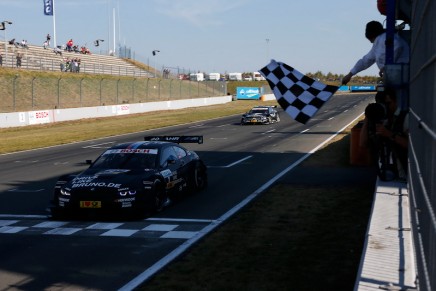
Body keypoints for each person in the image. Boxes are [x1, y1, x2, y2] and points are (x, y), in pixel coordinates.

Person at [360, 87, 409, 180]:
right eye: (383, 104)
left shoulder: (404, 117)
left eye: (388, 103)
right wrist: (367, 119)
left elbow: (414, 147)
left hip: (405, 174)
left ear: (395, 102)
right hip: (387, 172)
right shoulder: (379, 120)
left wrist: (390, 134)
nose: (386, 107)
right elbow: (363, 144)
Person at [341, 21, 409, 85]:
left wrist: (388, 66)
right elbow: (365, 61)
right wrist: (350, 75)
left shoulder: (384, 38)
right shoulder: (377, 44)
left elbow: (398, 45)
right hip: (398, 77)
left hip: (404, 75)